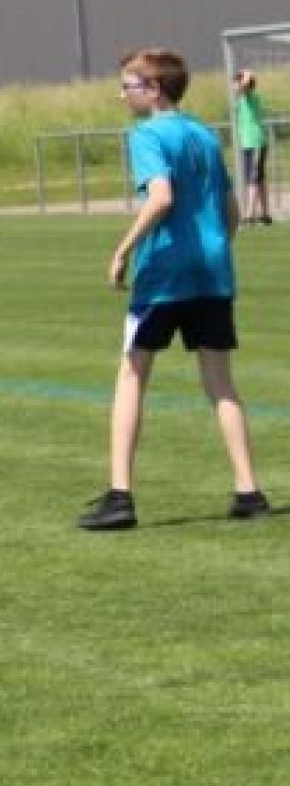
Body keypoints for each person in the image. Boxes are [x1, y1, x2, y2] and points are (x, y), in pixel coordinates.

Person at [79, 49, 269, 530]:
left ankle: (120, 496)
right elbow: (230, 212)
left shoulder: (147, 135)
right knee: (220, 381)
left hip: (164, 275)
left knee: (132, 373)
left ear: (154, 89)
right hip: (213, 274)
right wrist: (212, 249)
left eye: (128, 86)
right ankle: (249, 491)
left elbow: (160, 196)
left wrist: (123, 249)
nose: (122, 95)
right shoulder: (204, 134)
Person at [232, 69, 272, 226]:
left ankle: (249, 215)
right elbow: (241, 88)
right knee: (258, 178)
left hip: (256, 142)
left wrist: (246, 74)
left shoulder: (251, 96)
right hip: (247, 143)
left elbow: (245, 85)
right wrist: (243, 78)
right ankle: (265, 214)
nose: (234, 85)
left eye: (237, 81)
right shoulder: (241, 99)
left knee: (253, 178)